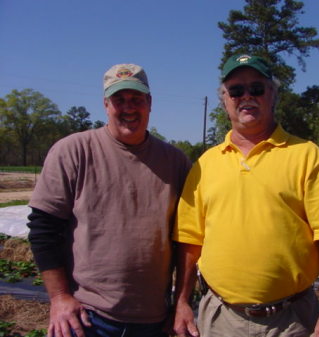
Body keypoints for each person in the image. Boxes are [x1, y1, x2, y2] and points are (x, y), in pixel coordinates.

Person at [172, 54, 319, 337]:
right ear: (224, 99)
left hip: (293, 321)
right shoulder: (205, 164)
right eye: (236, 90)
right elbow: (189, 241)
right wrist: (181, 301)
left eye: (257, 88)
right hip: (221, 320)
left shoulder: (307, 156)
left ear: (273, 95)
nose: (246, 97)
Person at [27, 63, 191, 337]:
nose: (128, 108)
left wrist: (180, 303)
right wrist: (59, 297)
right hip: (86, 317)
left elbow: (186, 239)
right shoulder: (73, 151)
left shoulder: (175, 161)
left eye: (136, 99)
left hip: (154, 319)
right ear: (106, 104)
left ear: (149, 103)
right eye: (119, 99)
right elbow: (43, 229)